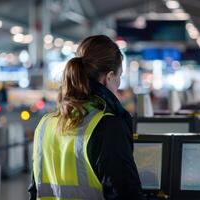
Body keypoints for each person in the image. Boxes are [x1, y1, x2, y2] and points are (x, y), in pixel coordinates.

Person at [28, 35, 144, 199]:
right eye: (119, 77)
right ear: (109, 78)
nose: (119, 85)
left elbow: (35, 191)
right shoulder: (108, 127)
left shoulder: (45, 125)